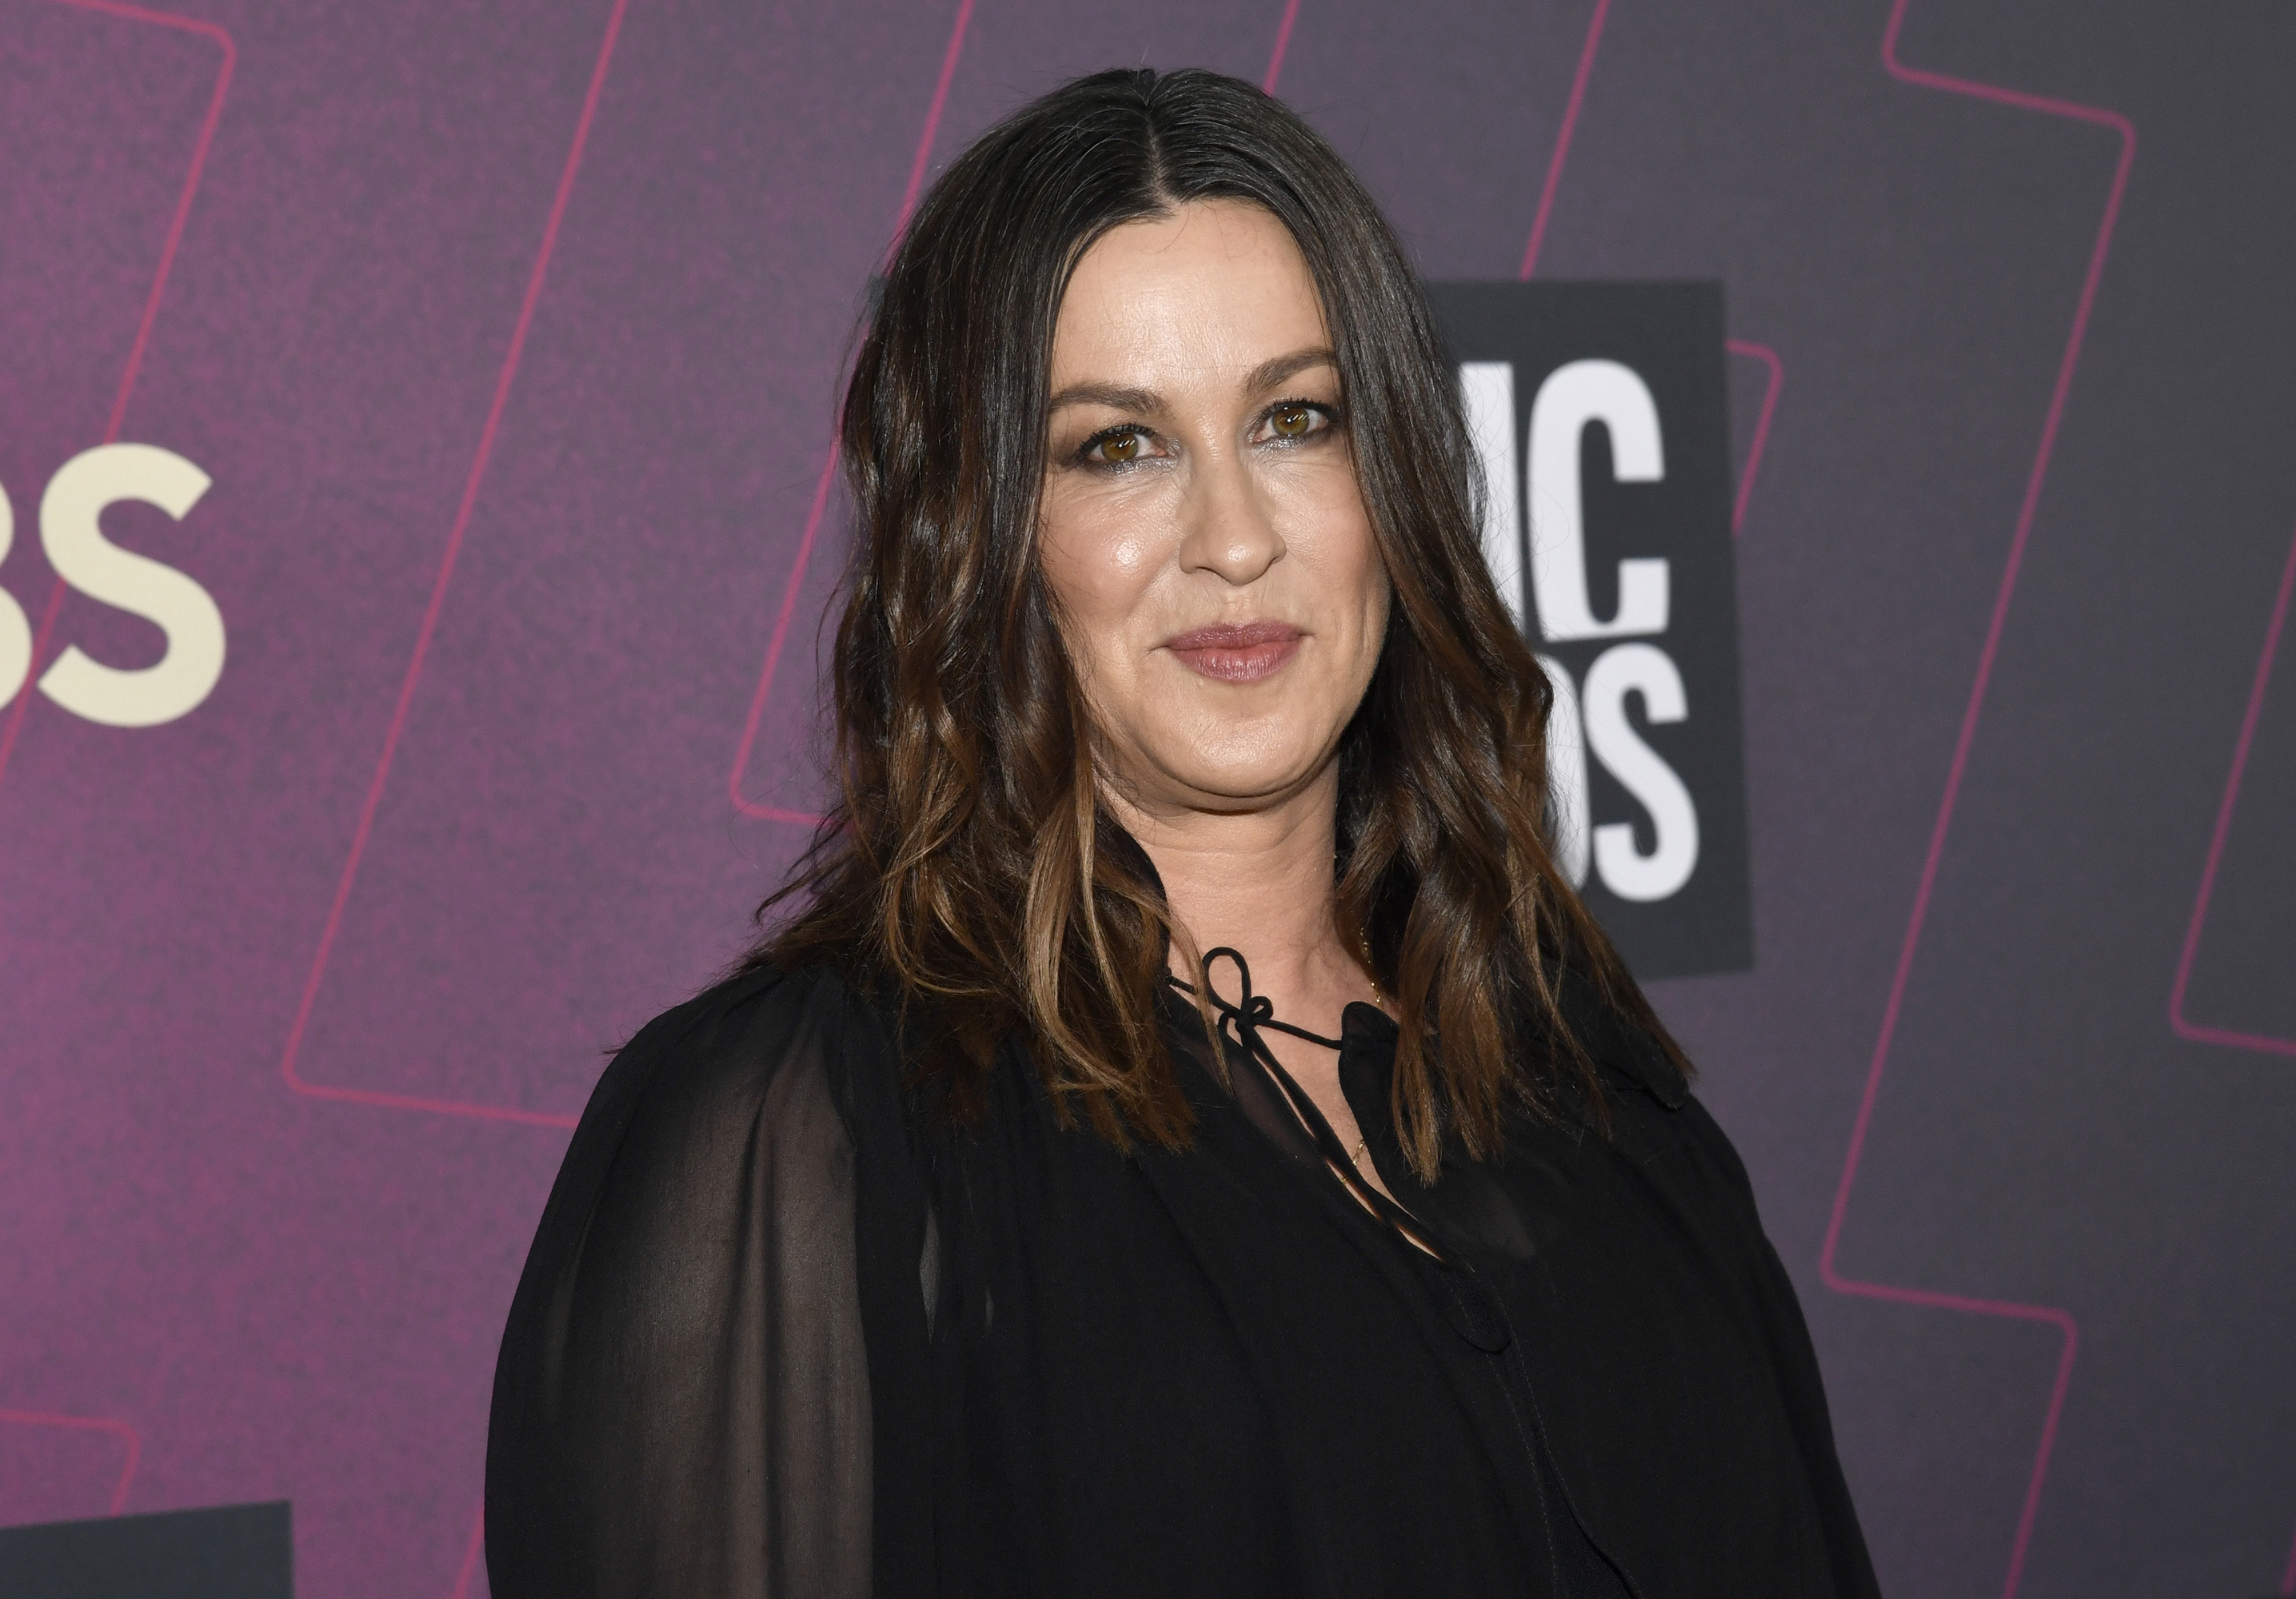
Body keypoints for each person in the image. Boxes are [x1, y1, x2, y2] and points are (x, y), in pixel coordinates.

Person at [485, 65, 1879, 1599]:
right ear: (986, 531)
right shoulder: (799, 1134)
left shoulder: (1574, 1066)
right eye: (1119, 446)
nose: (1235, 535)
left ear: (1394, 484)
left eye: (1295, 421)